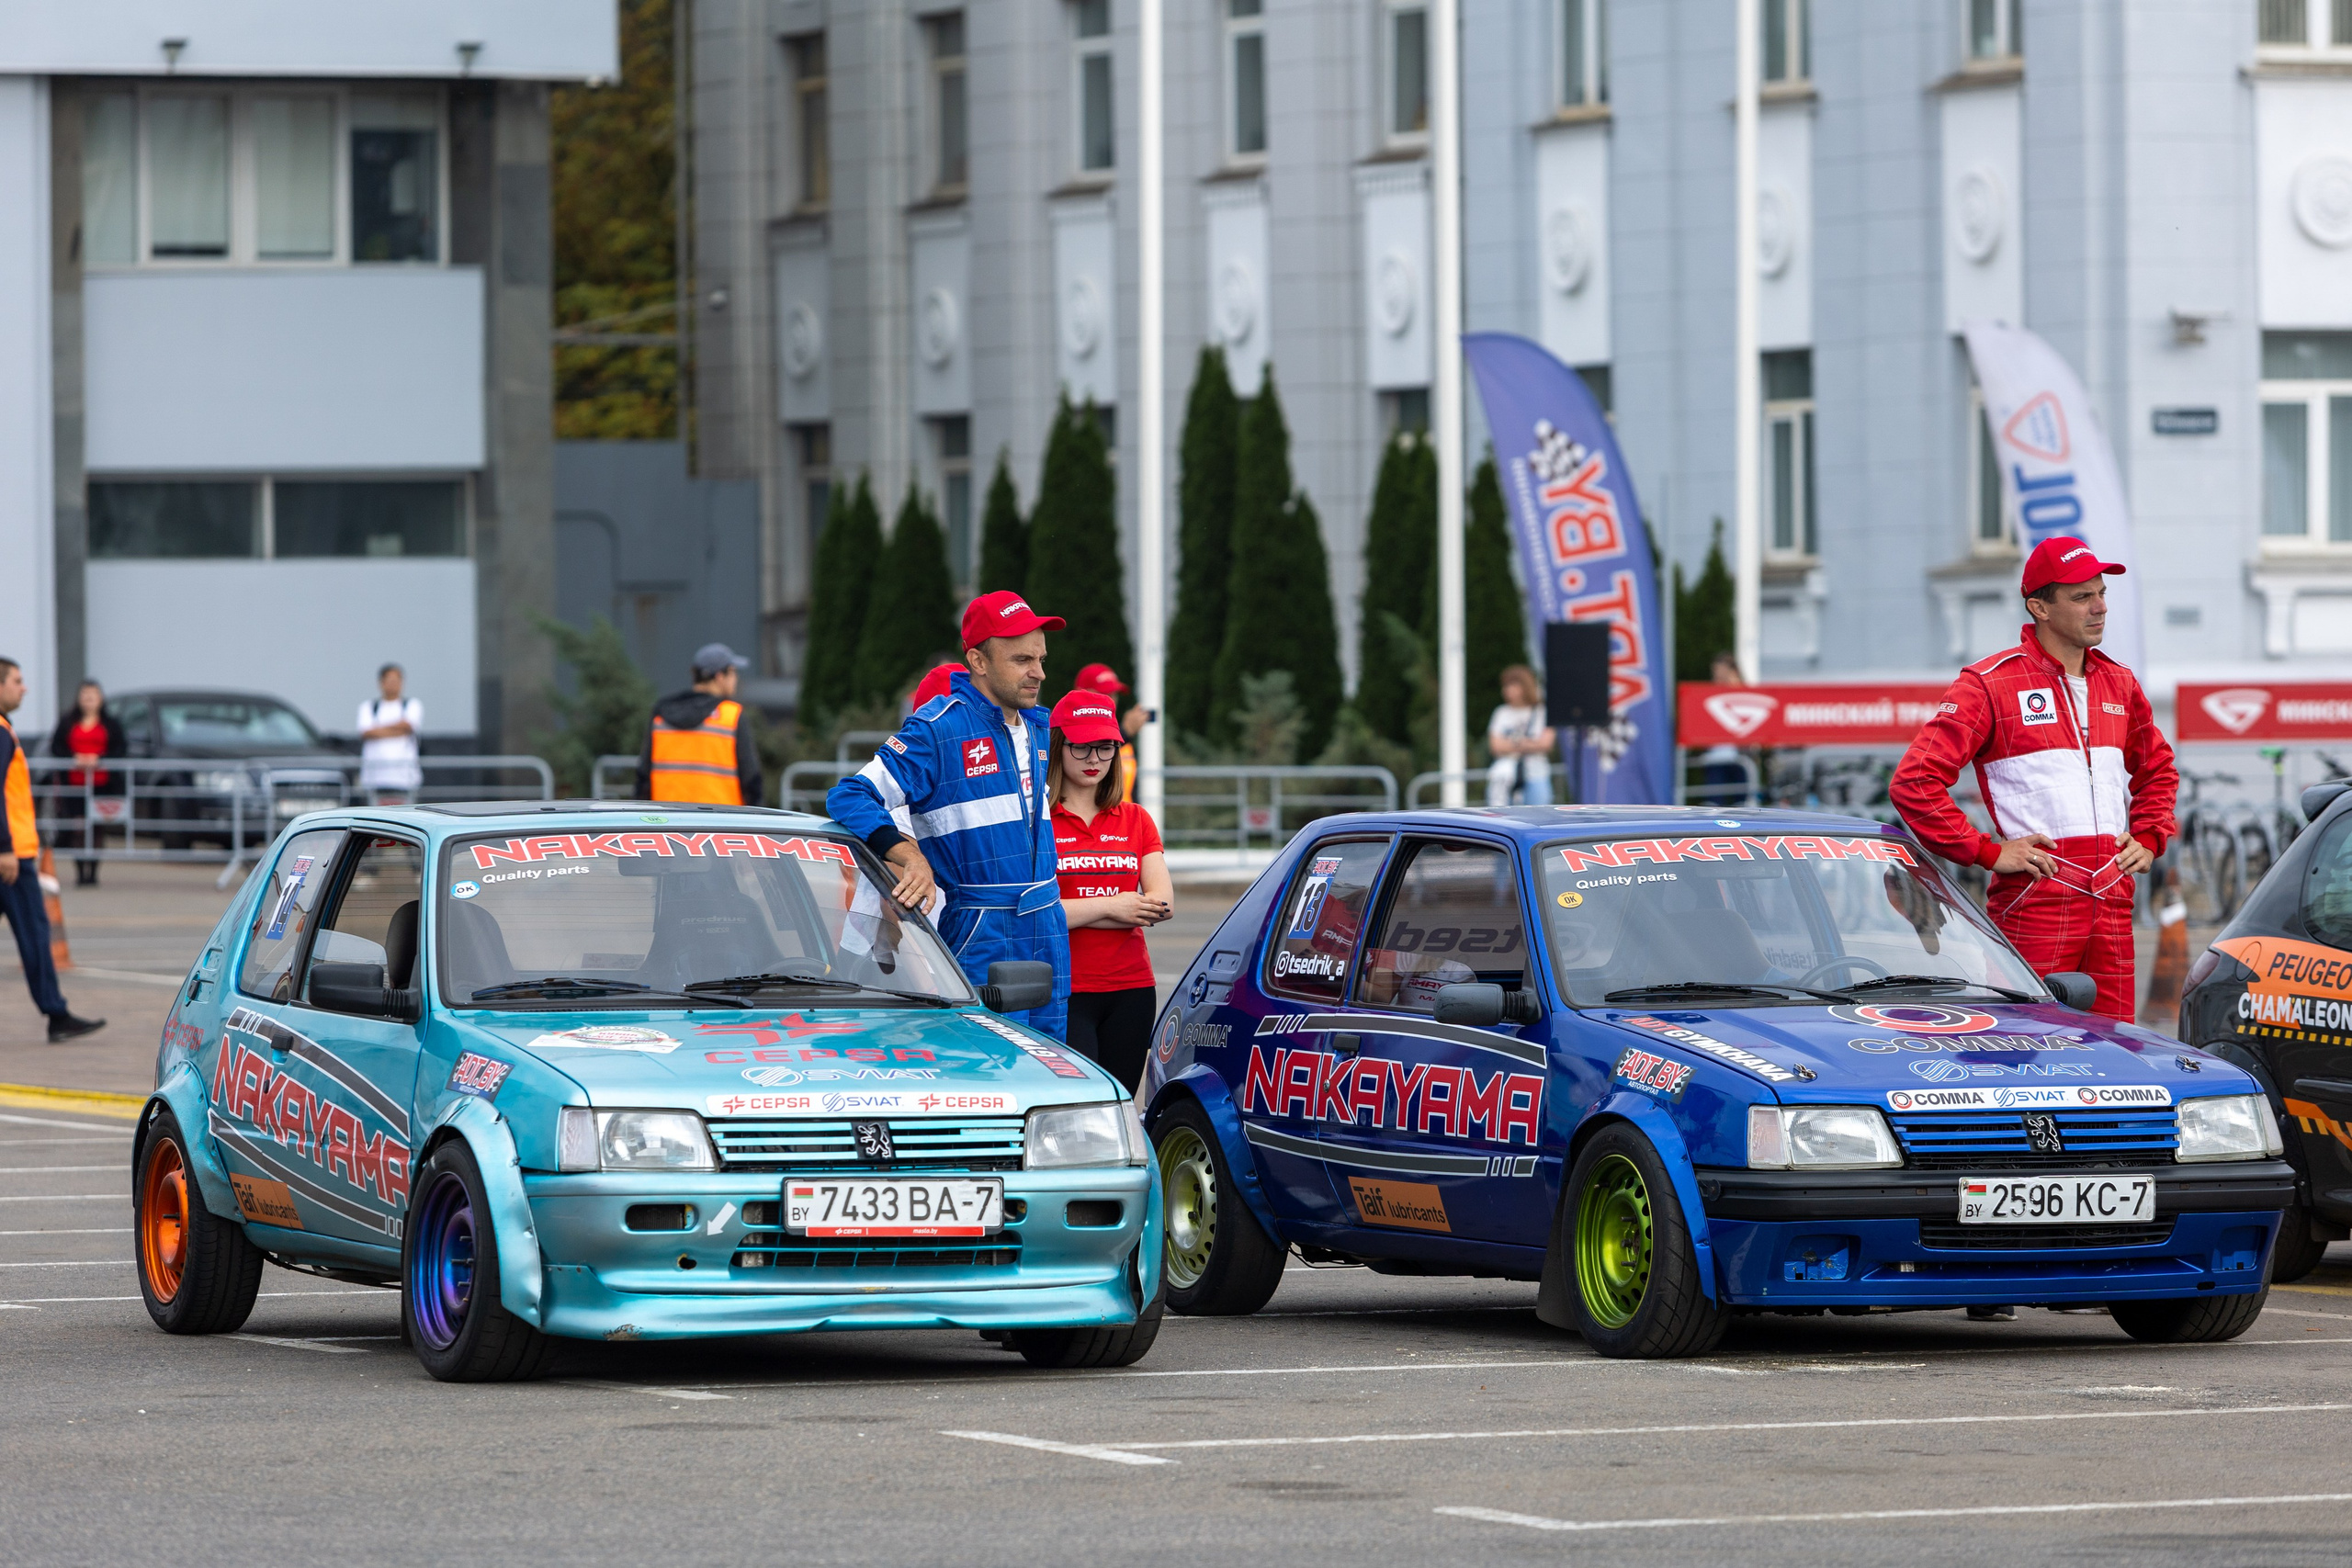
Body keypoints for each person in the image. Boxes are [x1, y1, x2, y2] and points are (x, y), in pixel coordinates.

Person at [1890, 535, 2177, 1024]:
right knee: (2027, 1046)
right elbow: (1915, 781)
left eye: (2102, 593)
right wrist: (1986, 852)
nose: (2100, 607)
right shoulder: (1989, 683)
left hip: (2112, 900)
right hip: (2035, 897)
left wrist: (2150, 836)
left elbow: (2158, 769)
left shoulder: (2120, 682)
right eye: (2082, 597)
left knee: (2116, 1049)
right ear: (2039, 607)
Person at [828, 592, 1072, 1040]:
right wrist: (910, 856)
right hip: (981, 926)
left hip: (1048, 919)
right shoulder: (937, 729)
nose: (1039, 672)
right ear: (978, 661)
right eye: (1022, 660)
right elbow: (850, 796)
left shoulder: (1042, 725)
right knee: (984, 1062)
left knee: (1050, 1060)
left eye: (1040, 659)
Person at [1048, 688, 1171, 1089]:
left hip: (1132, 989)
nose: (1094, 759)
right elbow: (1037, 914)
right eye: (1081, 747)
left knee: (1119, 1105)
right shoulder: (1037, 820)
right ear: (1058, 746)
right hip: (1063, 989)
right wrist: (1113, 907)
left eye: (1105, 748)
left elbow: (1162, 904)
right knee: (1077, 1103)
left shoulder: (1136, 818)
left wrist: (1076, 912)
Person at [0, 660, 104, 1043]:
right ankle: (57, 1015)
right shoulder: (1, 733)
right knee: (35, 933)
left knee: (36, 933)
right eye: (16, 681)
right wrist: (5, 848)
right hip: (13, 857)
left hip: (12, 852)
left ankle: (57, 1012)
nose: (23, 688)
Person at [636, 642, 763, 806]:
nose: (736, 679)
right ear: (720, 677)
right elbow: (751, 781)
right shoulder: (731, 716)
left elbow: (643, 779)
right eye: (733, 672)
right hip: (721, 818)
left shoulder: (661, 713)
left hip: (667, 817)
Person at [47, 680, 126, 886]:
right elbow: (56, 746)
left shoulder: (111, 723)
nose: (89, 700)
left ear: (100, 699)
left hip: (103, 784)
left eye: (93, 695)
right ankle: (81, 871)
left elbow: (121, 748)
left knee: (97, 828)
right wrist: (75, 758)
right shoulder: (67, 721)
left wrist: (99, 759)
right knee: (78, 827)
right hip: (75, 785)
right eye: (85, 695)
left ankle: (93, 873)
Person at [1486, 664, 1556, 807]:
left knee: (1538, 814)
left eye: (1512, 685)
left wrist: (1510, 744)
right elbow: (1495, 746)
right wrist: (1529, 744)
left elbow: (1546, 744)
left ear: (1525, 687)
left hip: (1537, 774)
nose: (1506, 690)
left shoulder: (1541, 712)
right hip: (1505, 777)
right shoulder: (1501, 713)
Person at [1073, 662, 1145, 802]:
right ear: (1081, 694)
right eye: (1104, 694)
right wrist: (1125, 733)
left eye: (1114, 695)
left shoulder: (1123, 737)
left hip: (1124, 814)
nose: (1111, 701)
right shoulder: (1070, 739)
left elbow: (1131, 789)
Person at [356, 663, 424, 806]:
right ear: (381, 683)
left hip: (405, 778)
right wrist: (398, 729)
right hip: (375, 778)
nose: (393, 685)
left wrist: (378, 728)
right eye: (389, 681)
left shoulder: (412, 705)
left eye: (396, 681)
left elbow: (408, 726)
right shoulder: (368, 707)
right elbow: (366, 732)